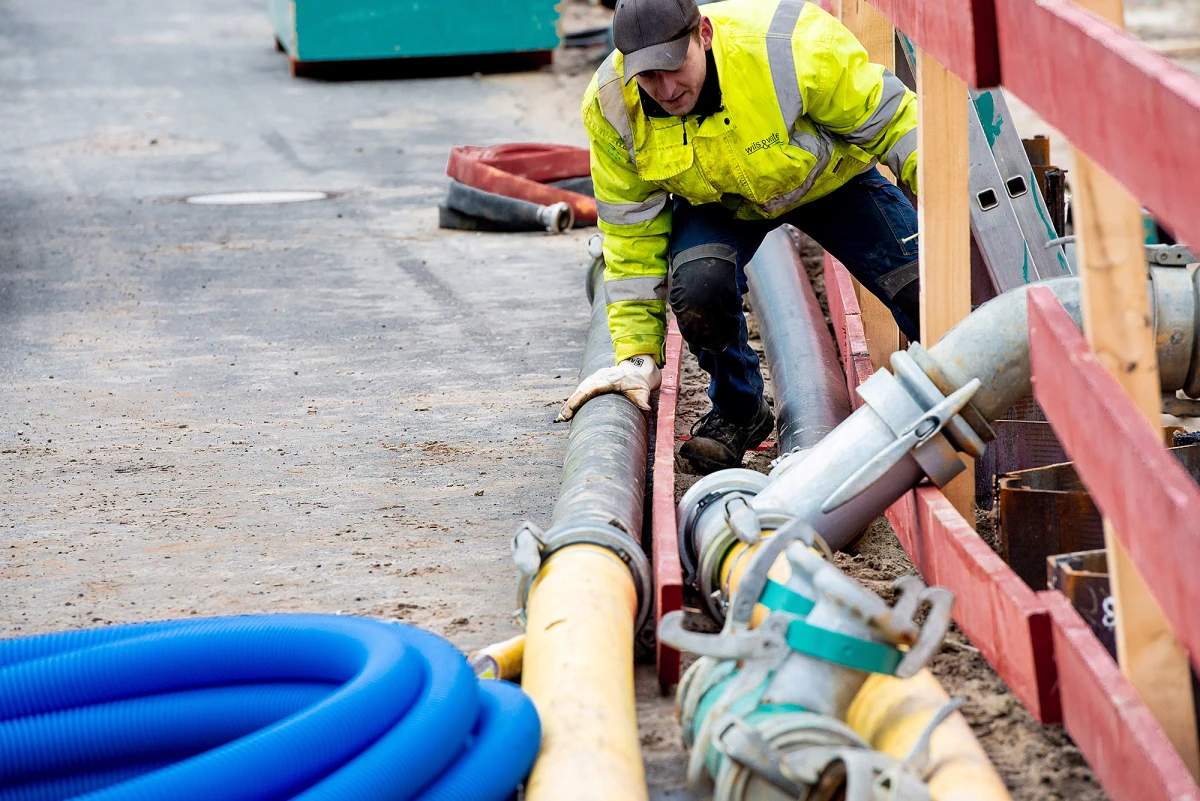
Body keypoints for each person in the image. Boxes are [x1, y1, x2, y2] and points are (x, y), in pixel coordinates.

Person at [556, 0, 921, 476]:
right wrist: (637, 357)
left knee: (922, 287)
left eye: (674, 67)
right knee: (699, 290)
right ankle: (738, 410)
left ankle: (944, 403)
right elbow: (630, 234)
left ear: (703, 34)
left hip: (830, 183)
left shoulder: (792, 49)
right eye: (648, 76)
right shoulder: (612, 107)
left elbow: (897, 121)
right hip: (721, 202)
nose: (666, 90)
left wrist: (942, 190)